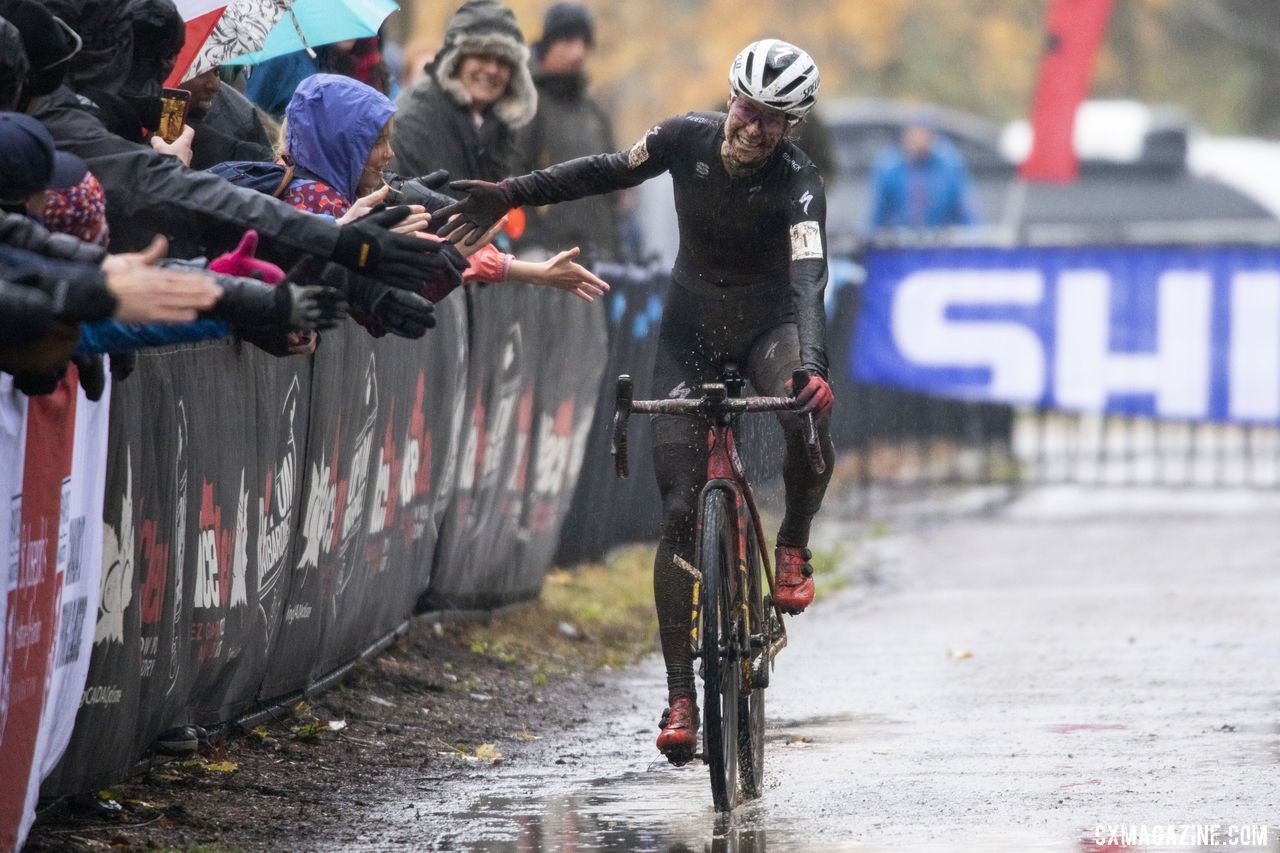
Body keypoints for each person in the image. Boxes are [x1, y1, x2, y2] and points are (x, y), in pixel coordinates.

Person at [436, 39, 837, 765]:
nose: (753, 128)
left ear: (793, 129)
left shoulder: (801, 183)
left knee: (805, 406)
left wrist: (812, 363)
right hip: (689, 332)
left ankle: (792, 544)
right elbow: (598, 171)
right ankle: (681, 694)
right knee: (680, 509)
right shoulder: (683, 138)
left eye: (774, 121)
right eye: (747, 109)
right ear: (729, 99)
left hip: (769, 329)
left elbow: (809, 277)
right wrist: (510, 193)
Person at [1, 0, 459, 323]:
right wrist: (338, 246)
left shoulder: (121, 111)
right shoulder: (65, 116)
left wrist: (253, 303)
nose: (214, 85)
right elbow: (184, 198)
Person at [274, 73, 607, 312]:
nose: (390, 154)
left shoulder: (343, 196)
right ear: (337, 146)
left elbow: (422, 250)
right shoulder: (314, 201)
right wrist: (452, 256)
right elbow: (383, 282)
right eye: (376, 143)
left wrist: (533, 272)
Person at [514, 3, 622, 262]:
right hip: (545, 257)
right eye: (568, 40)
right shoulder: (525, 101)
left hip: (596, 256)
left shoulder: (594, 112)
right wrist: (528, 243)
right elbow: (512, 174)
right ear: (549, 43)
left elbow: (612, 188)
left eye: (584, 43)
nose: (578, 52)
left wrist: (618, 249)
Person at [391, 0, 538, 191]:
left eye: (503, 61)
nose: (493, 69)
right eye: (482, 56)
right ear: (456, 60)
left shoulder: (501, 126)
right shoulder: (415, 116)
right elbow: (398, 193)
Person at [867, 116, 979, 231]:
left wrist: (975, 240)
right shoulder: (890, 168)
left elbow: (966, 212)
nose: (919, 140)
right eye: (914, 135)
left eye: (923, 134)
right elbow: (877, 215)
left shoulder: (949, 166)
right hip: (900, 242)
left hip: (941, 241)